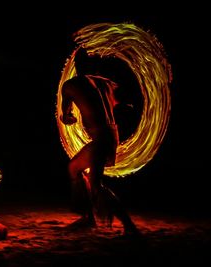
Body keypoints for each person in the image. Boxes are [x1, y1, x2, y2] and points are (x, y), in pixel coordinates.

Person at [59, 47, 140, 236]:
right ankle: (88, 218)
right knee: (74, 168)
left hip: (101, 138)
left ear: (76, 65)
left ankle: (129, 226)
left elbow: (66, 116)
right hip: (111, 136)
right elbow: (129, 101)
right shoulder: (107, 84)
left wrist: (69, 119)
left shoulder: (71, 85)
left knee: (96, 185)